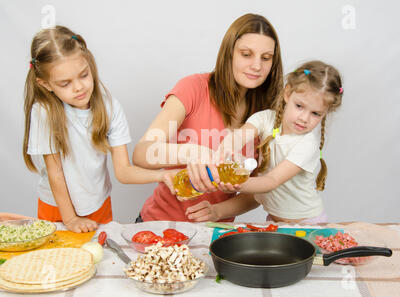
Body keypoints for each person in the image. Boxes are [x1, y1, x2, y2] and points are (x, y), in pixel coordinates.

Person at [23, 26, 177, 233]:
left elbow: (123, 172)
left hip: (99, 204)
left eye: (84, 75)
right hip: (58, 209)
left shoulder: (109, 107)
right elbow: (56, 173)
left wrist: (162, 176)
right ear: (46, 84)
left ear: (90, 66)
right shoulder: (44, 112)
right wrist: (70, 220)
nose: (79, 87)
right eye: (65, 83)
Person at [132, 13, 283, 222]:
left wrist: (218, 211)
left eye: (266, 58)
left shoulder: (267, 116)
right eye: (246, 54)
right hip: (159, 226)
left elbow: (259, 190)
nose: (257, 66)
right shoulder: (193, 88)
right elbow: (141, 153)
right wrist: (192, 152)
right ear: (229, 53)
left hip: (214, 235)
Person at [187, 60, 343, 224]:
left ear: (325, 113)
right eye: (299, 106)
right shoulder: (265, 119)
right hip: (274, 221)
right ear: (288, 93)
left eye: (316, 114)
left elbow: (271, 181)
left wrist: (237, 183)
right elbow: (238, 136)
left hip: (308, 222)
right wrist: (222, 153)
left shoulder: (306, 144)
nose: (304, 118)